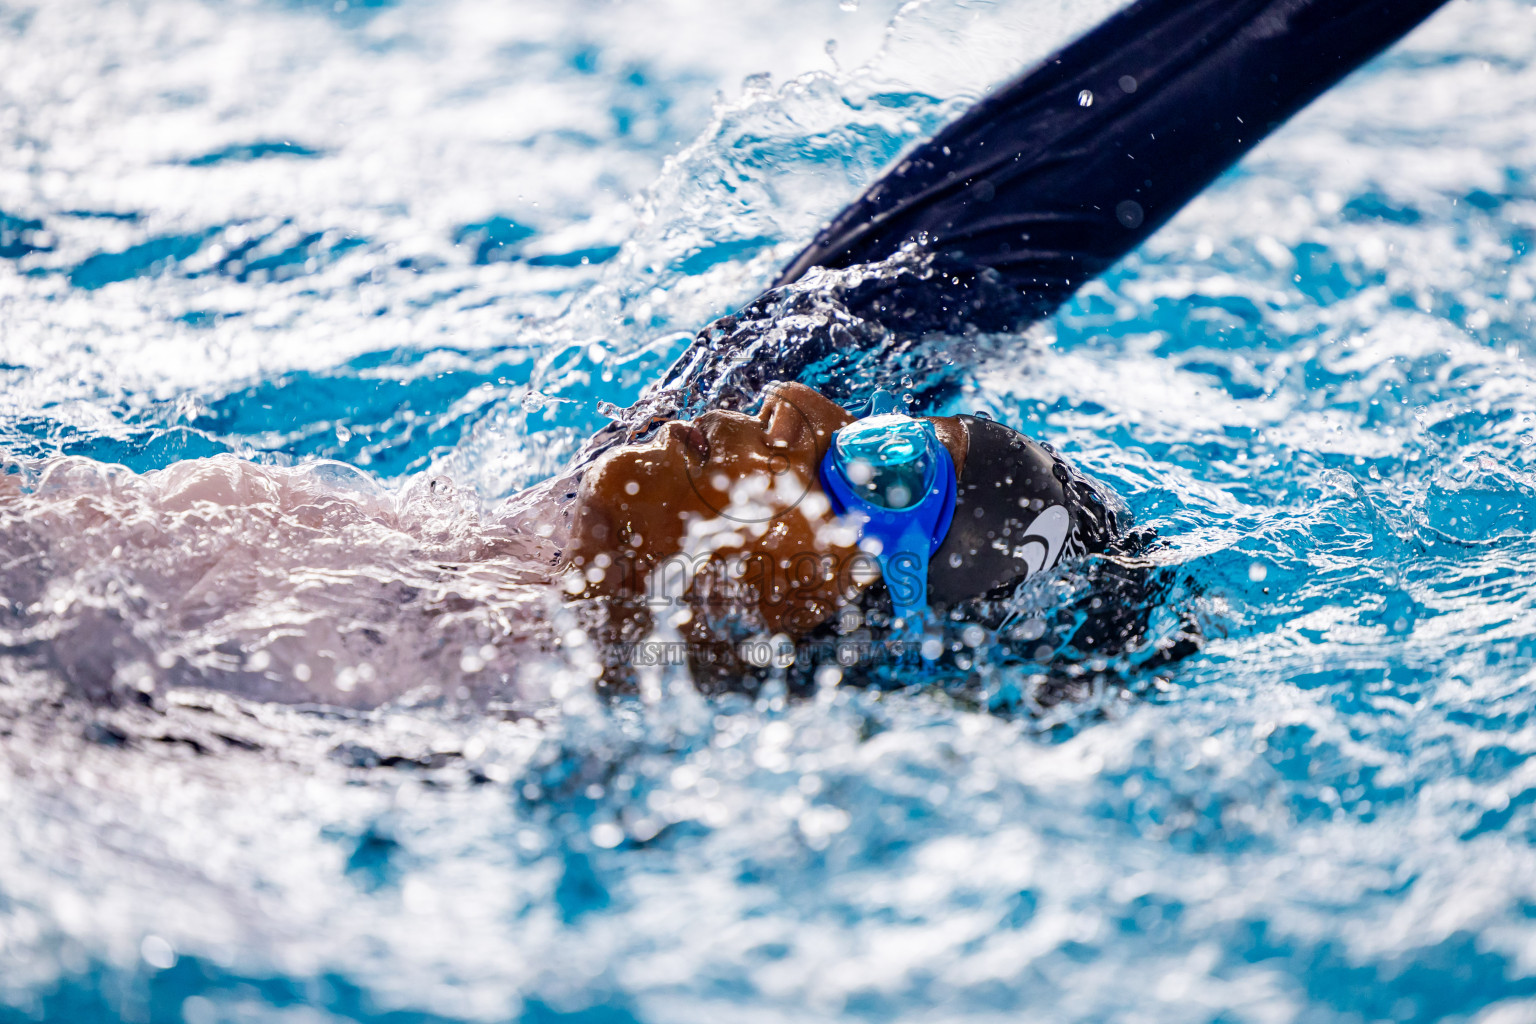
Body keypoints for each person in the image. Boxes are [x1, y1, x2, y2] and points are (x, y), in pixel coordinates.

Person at [0, 0, 1453, 710]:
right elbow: (1020, 195)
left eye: (880, 464)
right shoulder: (560, 537)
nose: (809, 407)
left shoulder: (430, 736)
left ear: (861, 638)